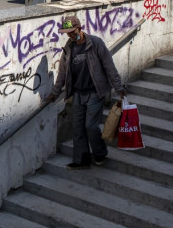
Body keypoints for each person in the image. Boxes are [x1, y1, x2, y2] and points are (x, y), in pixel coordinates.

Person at [43, 15, 127, 169]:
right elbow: (62, 74)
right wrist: (55, 93)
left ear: (80, 28)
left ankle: (100, 152)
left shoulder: (95, 43)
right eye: (67, 33)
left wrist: (119, 88)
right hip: (77, 94)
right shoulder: (68, 49)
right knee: (78, 127)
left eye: (72, 31)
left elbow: (109, 66)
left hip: (95, 92)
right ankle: (81, 159)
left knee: (91, 126)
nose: (70, 35)